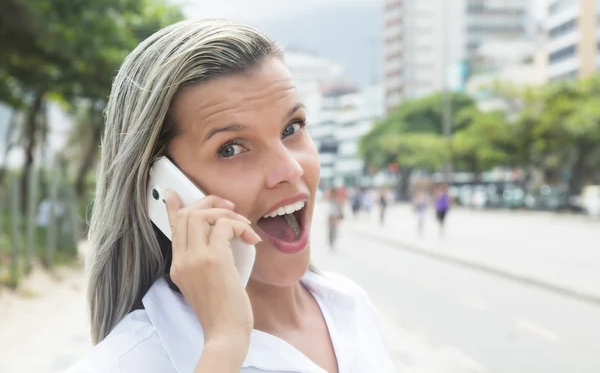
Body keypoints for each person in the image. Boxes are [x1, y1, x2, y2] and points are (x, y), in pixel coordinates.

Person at [66, 19, 395, 373]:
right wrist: (224, 344)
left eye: (291, 128)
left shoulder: (349, 306)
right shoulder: (130, 361)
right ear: (161, 189)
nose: (290, 170)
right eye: (231, 149)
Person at [326, 187, 344, 251]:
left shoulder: (337, 200)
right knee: (330, 231)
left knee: (334, 231)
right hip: (331, 217)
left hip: (334, 217)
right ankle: (331, 244)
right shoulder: (330, 200)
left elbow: (339, 210)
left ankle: (332, 244)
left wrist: (337, 218)